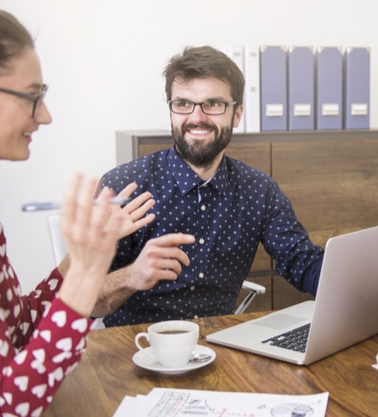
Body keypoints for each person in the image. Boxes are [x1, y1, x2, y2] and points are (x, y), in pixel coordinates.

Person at [0, 1, 150, 415]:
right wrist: (90, 272)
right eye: (31, 97)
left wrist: (76, 260)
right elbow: (10, 401)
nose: (46, 116)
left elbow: (17, 328)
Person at [95, 46, 325, 327]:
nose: (197, 117)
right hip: (135, 349)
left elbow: (302, 262)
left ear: (236, 114)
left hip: (220, 349)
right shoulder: (123, 187)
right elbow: (84, 301)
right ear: (171, 111)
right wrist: (132, 275)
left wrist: (365, 284)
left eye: (213, 104)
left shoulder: (259, 191)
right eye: (183, 104)